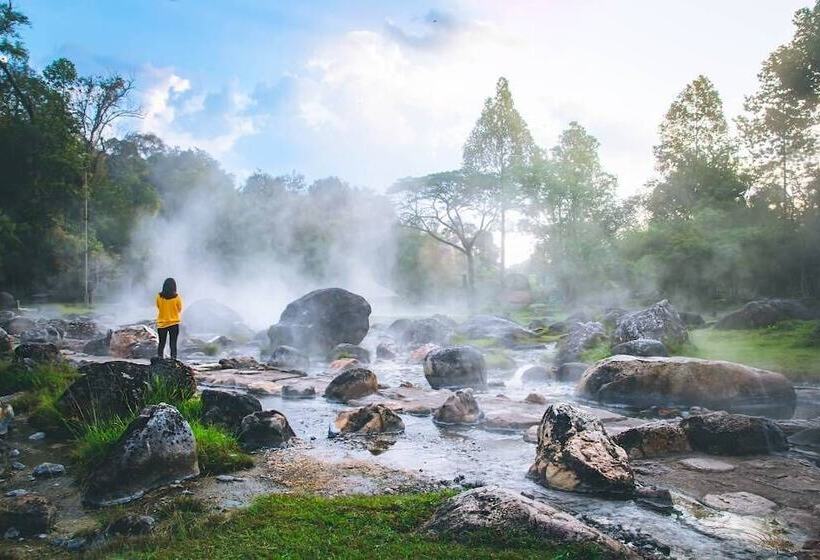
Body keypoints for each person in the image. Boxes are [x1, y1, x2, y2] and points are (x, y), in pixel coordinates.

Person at [156, 277, 183, 359]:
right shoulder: (177, 297)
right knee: (173, 343)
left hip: (162, 324)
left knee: (161, 343)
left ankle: (160, 359)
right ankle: (173, 360)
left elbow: (158, 306)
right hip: (174, 323)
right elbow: (179, 309)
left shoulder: (159, 296)